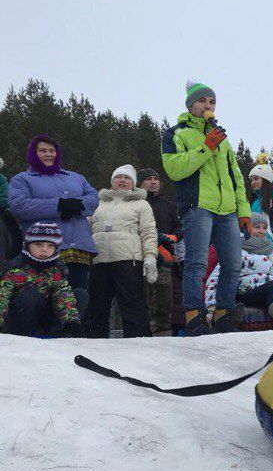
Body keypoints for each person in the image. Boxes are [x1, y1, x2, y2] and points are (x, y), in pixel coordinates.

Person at [161, 80, 251, 335]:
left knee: (233, 263)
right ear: (190, 105)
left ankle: (224, 314)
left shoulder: (223, 139)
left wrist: (243, 209)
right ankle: (194, 316)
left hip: (227, 210)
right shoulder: (176, 133)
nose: (207, 105)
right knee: (196, 263)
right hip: (198, 206)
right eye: (202, 101)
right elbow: (175, 170)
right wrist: (206, 146)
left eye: (211, 102)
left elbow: (236, 177)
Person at [7, 135, 99, 295]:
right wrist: (58, 205)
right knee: (47, 299)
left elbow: (94, 197)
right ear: (33, 154)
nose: (48, 154)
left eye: (52, 150)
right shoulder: (22, 179)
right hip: (45, 249)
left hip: (79, 248)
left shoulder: (76, 177)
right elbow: (19, 206)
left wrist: (77, 205)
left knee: (78, 296)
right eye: (42, 150)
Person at [85, 165, 158, 338]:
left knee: (133, 305)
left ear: (133, 183)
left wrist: (150, 257)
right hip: (99, 260)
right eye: (119, 177)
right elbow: (85, 229)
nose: (122, 180)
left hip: (128, 260)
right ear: (112, 181)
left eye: (127, 178)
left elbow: (148, 232)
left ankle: (138, 341)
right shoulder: (97, 203)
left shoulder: (141, 204)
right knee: (96, 305)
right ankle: (91, 341)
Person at [204, 213, 273, 328]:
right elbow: (216, 277)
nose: (261, 231)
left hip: (269, 292)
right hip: (246, 292)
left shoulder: (271, 253)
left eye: (264, 228)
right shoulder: (237, 250)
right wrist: (211, 306)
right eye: (257, 227)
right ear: (247, 228)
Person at [0, 222, 83, 337]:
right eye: (38, 244)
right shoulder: (15, 269)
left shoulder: (56, 270)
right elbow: (2, 298)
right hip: (19, 321)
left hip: (44, 319)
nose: (44, 250)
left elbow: (63, 296)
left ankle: (63, 332)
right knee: (30, 295)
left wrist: (71, 320)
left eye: (50, 245)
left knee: (79, 295)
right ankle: (25, 335)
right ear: (28, 245)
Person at [138, 167, 181, 336]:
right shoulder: (137, 204)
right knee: (144, 299)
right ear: (140, 183)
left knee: (165, 300)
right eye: (149, 179)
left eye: (156, 179)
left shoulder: (169, 205)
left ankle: (164, 334)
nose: (153, 182)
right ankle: (143, 334)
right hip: (141, 257)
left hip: (165, 259)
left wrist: (172, 237)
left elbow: (180, 228)